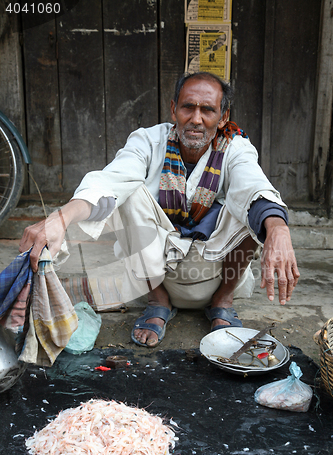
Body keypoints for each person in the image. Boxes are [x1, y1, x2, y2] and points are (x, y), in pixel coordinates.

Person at [19, 72, 300, 348]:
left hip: (217, 276)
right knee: (127, 192)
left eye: (208, 110)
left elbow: (254, 186)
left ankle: (222, 304)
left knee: (251, 207)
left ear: (223, 117)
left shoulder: (235, 149)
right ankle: (158, 302)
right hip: (158, 276)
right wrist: (60, 218)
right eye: (188, 107)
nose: (196, 119)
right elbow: (109, 181)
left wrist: (278, 228)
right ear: (173, 109)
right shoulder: (148, 141)